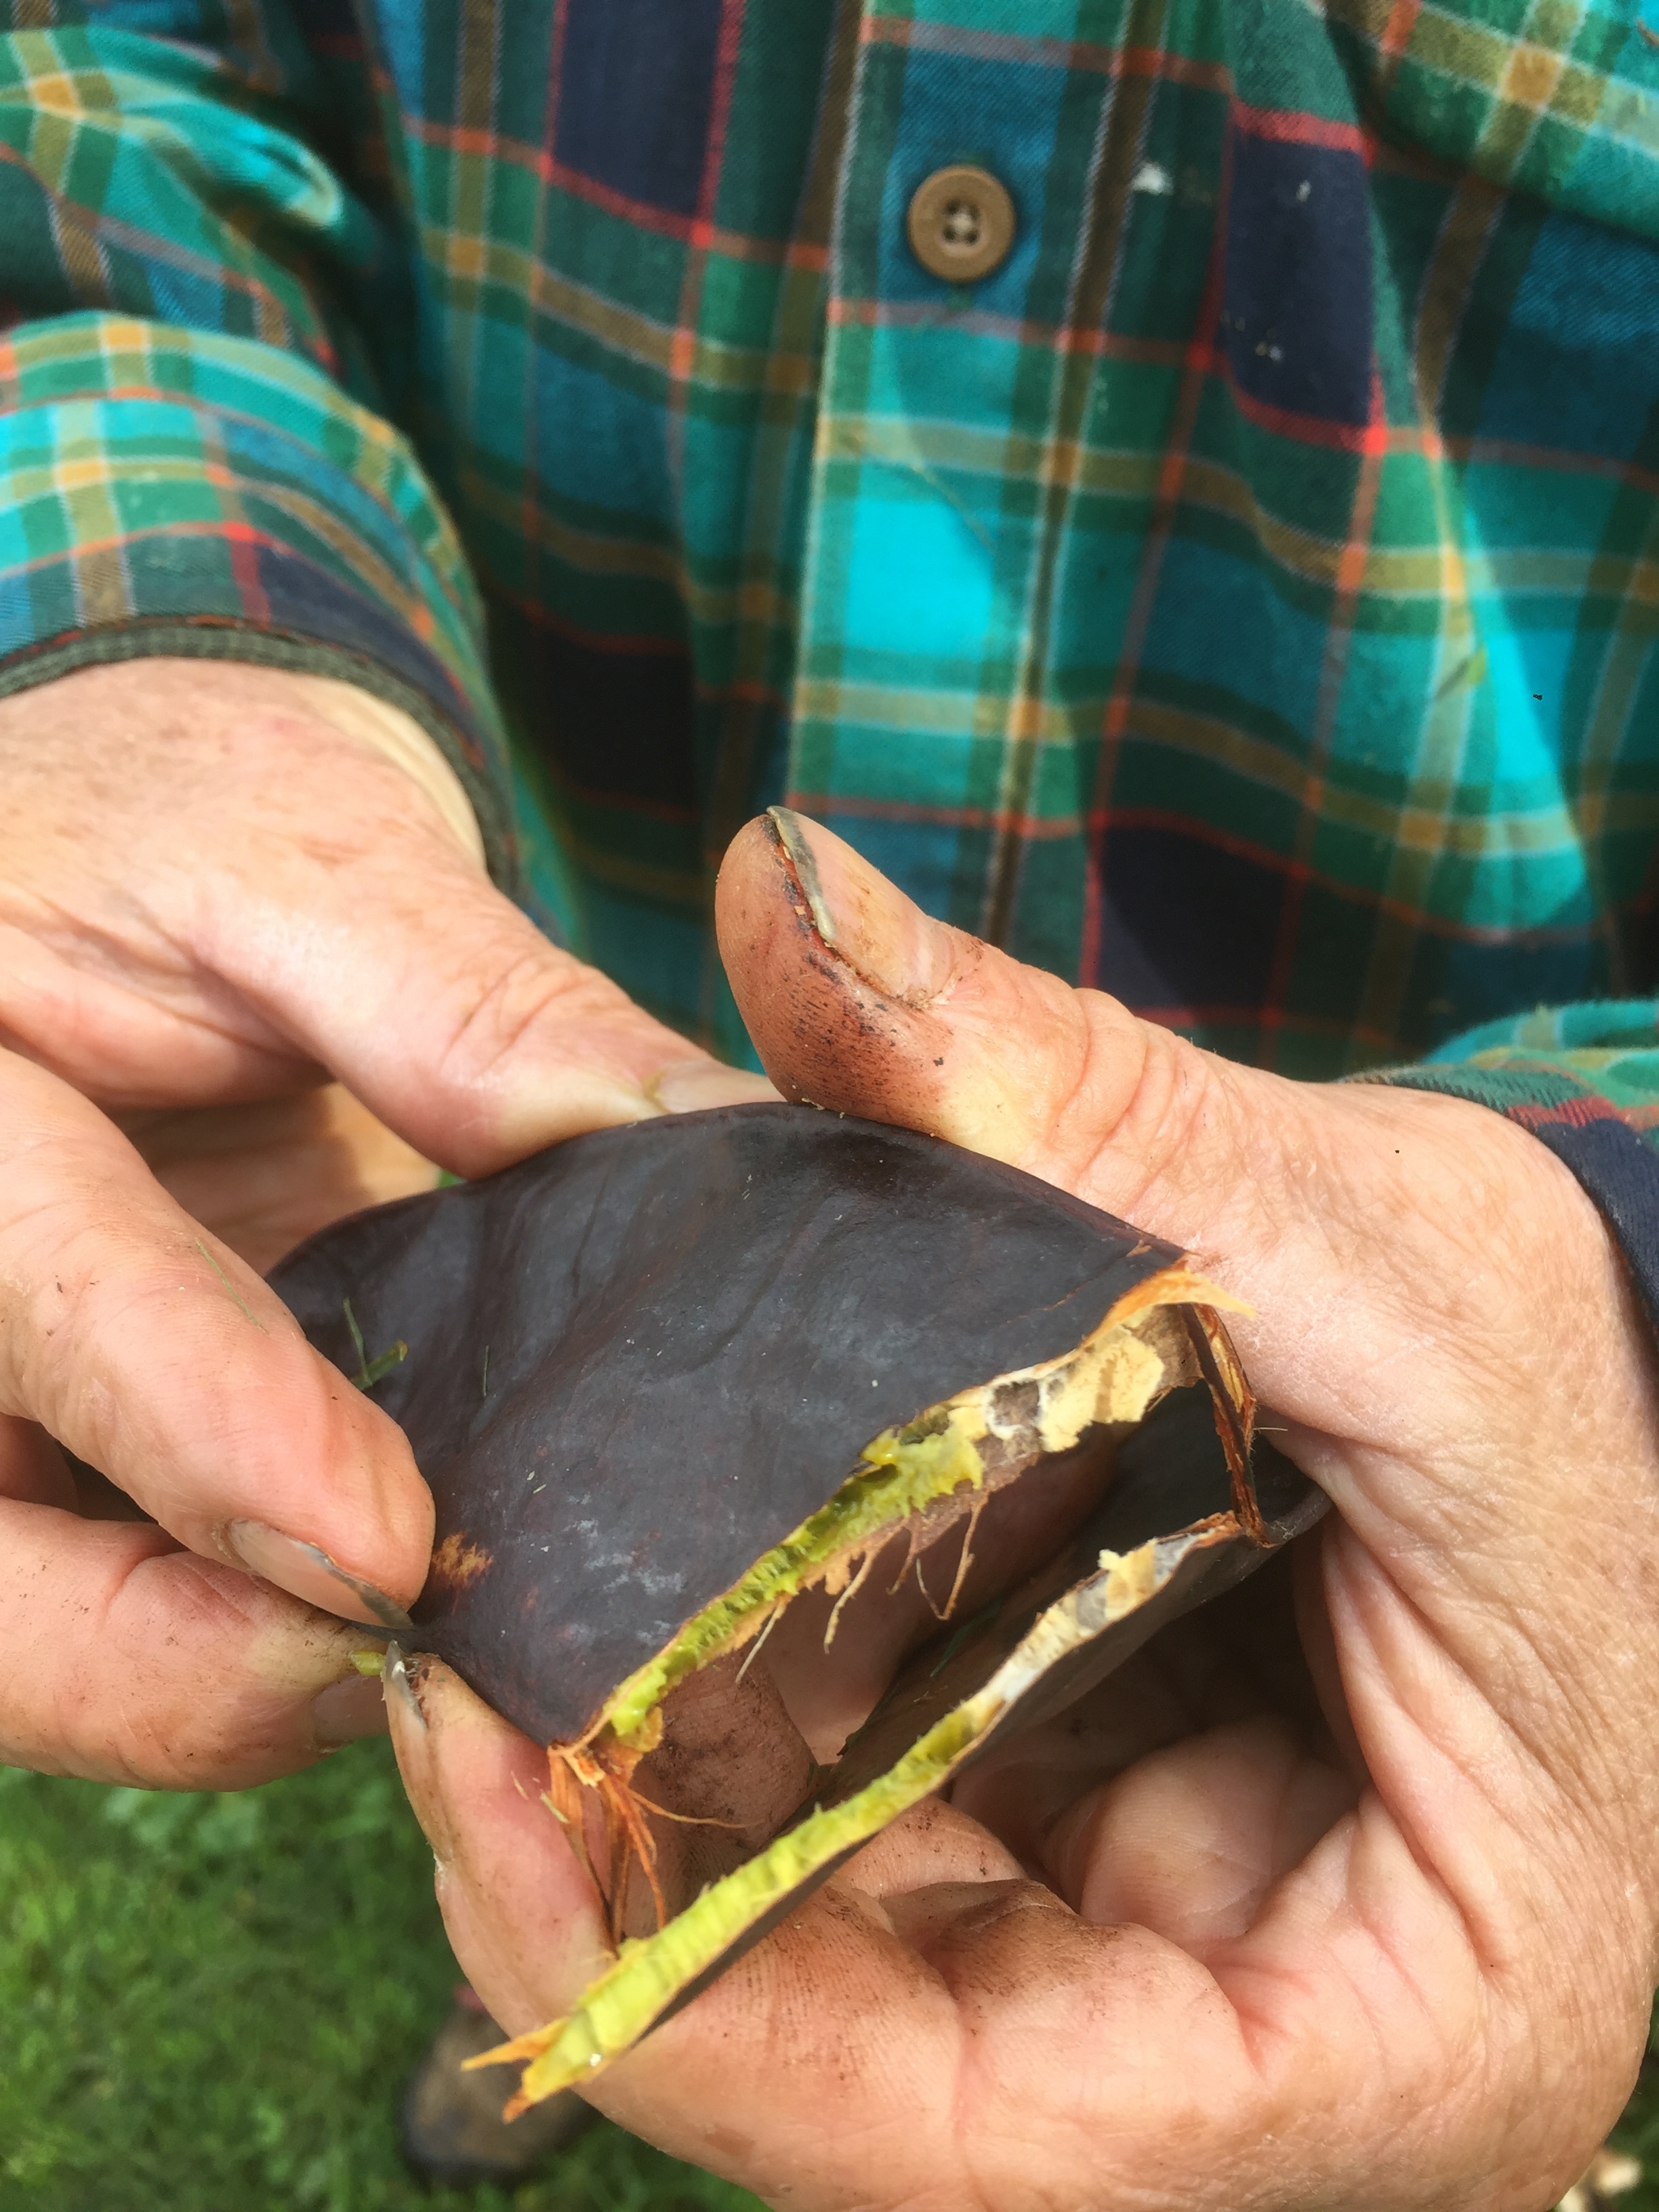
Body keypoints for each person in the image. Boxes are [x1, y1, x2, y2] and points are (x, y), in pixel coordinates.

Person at [1, 0, 1656, 2203]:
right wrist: (157, 625)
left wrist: (1609, 1315)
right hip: (468, 1125)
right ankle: (532, 1969)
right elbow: (113, 60)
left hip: (1391, 1512)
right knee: (520, 1759)